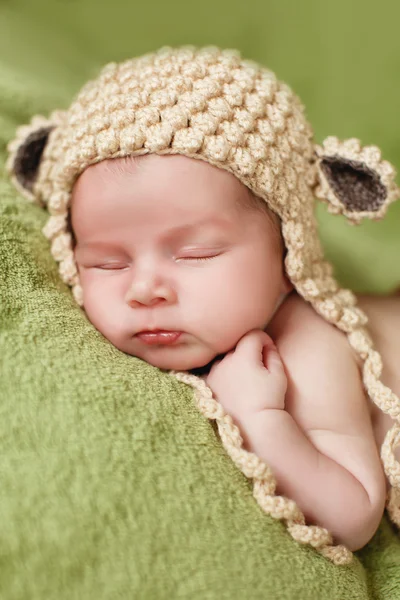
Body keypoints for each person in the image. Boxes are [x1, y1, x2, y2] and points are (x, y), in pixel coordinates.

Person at [6, 45, 400, 565]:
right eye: (106, 263)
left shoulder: (307, 345)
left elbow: (353, 513)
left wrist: (260, 416)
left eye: (196, 254)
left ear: (289, 256)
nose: (145, 289)